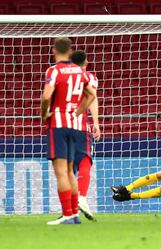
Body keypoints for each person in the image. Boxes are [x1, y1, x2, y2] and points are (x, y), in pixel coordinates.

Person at [41, 37, 96, 225]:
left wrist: (44, 114)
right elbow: (92, 94)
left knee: (61, 171)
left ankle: (67, 214)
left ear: (54, 50)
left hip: (58, 124)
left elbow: (47, 96)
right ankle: (73, 214)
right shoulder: (80, 72)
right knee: (71, 171)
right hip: (76, 126)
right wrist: (78, 111)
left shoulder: (54, 70)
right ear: (71, 50)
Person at [70, 50, 100, 221]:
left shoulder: (60, 75)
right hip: (79, 126)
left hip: (61, 127)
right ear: (85, 63)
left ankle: (70, 208)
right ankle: (81, 198)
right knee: (85, 161)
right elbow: (92, 98)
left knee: (68, 169)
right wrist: (95, 123)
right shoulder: (89, 77)